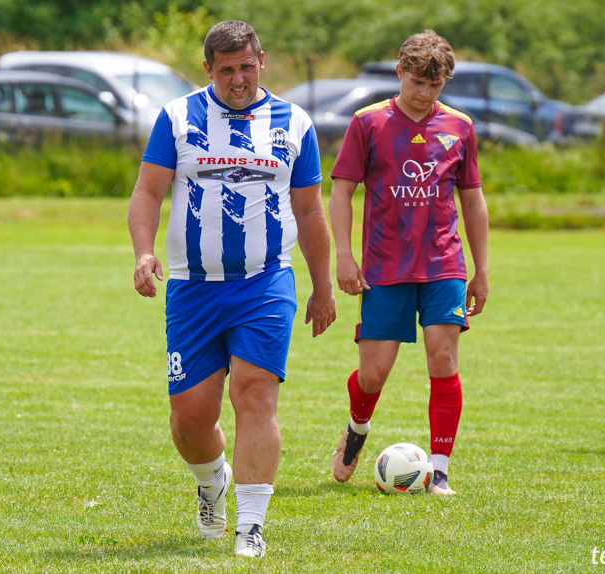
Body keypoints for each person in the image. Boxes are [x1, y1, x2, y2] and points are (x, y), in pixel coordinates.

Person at [127, 20, 336, 557]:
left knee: (255, 393)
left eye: (247, 67)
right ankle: (211, 480)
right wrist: (143, 251)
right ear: (208, 69)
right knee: (190, 417)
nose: (238, 79)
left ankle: (251, 527)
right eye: (227, 71)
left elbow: (309, 209)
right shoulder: (177, 117)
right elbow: (148, 191)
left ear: (261, 60)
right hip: (192, 288)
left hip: (265, 282)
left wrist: (321, 285)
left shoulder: (295, 123)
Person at [328, 30, 489, 495]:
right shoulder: (367, 122)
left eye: (435, 87)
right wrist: (344, 255)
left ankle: (438, 471)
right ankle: (357, 426)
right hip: (384, 268)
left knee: (443, 358)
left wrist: (480, 270)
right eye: (417, 82)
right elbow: (342, 191)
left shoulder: (460, 126)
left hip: (444, 265)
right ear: (400, 73)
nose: (424, 94)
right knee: (374, 374)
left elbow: (473, 202)